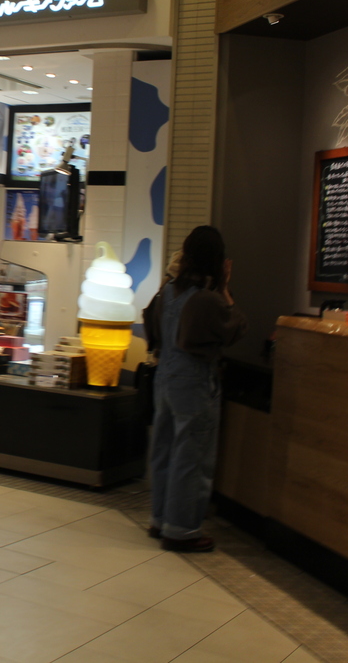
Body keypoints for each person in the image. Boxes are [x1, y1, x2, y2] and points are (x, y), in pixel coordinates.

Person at [142, 225, 245, 553]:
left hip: (164, 377)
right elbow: (235, 328)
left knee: (164, 448)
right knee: (191, 455)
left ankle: (160, 519)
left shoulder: (168, 291)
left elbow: (150, 322)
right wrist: (225, 287)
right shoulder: (207, 299)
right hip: (194, 382)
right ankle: (182, 530)